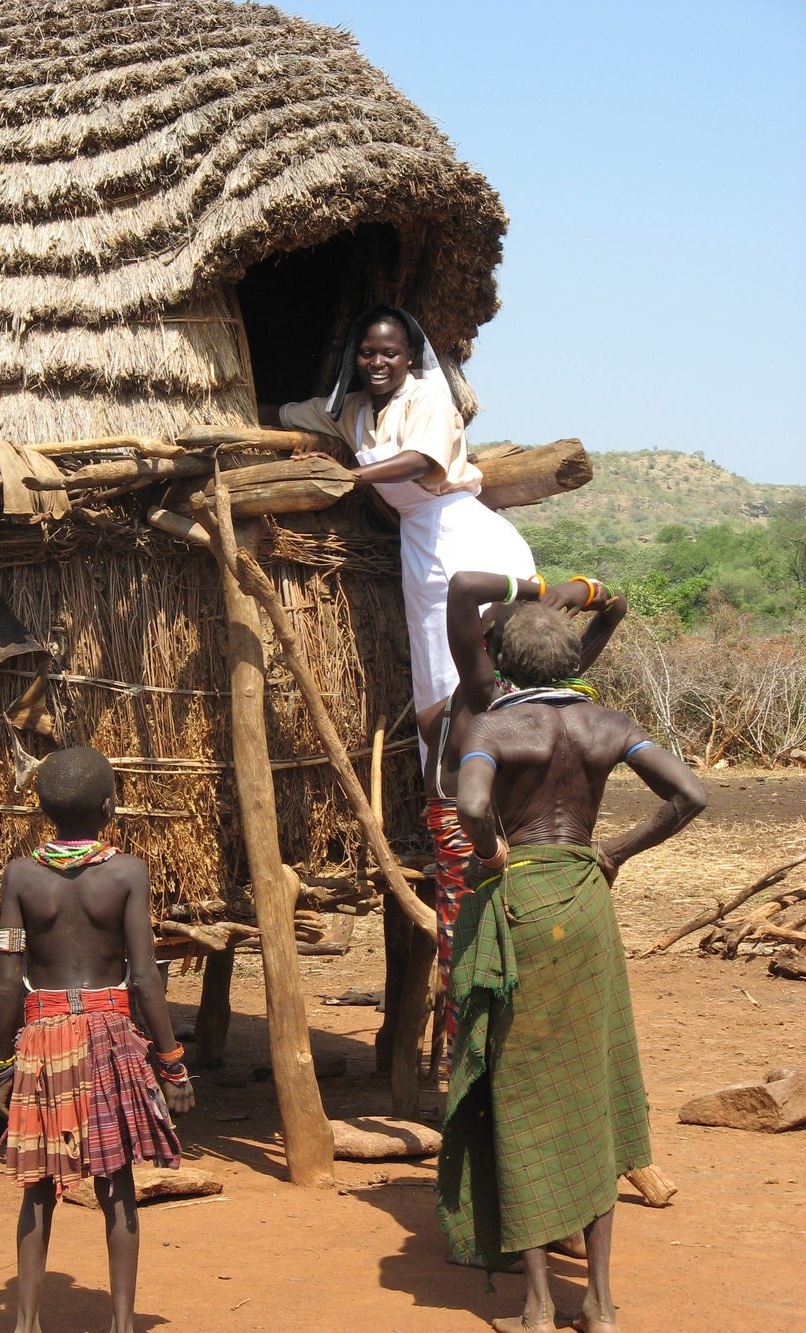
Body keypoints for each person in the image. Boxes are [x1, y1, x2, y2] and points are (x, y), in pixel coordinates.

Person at [436, 604, 707, 1333]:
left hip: (520, 901)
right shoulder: (609, 725)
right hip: (586, 903)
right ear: (571, 664)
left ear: (505, 662)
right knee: (593, 1085)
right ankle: (601, 1302)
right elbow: (691, 795)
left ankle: (536, 1303)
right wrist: (612, 851)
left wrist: (493, 854)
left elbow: (469, 803)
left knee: (520, 1090)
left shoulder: (494, 727)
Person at [259, 305, 536, 751]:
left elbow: (421, 461)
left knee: (482, 658)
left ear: (409, 356)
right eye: (367, 353)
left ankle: (502, 777)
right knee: (436, 664)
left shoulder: (427, 399)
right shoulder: (352, 411)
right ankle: (448, 795)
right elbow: (286, 414)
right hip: (420, 541)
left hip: (462, 533)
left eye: (389, 352)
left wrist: (349, 476)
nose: (377, 363)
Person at [0, 746, 195, 1333]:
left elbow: (7, 978)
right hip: (108, 1034)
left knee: (37, 1183)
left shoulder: (22, 876)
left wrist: (3, 1062)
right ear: (110, 805)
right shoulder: (127, 872)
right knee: (117, 1182)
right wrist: (172, 1062)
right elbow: (147, 977)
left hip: (44, 1037)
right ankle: (123, 1322)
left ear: (43, 808)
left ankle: (26, 1322)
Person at [421, 570, 626, 1069]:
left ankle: (482, 1063)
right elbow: (615, 609)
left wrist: (552, 593)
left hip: (484, 827)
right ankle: (480, 1063)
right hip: (480, 826)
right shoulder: (495, 691)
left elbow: (612, 608)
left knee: (477, 947)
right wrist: (576, 593)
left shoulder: (502, 691)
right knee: (480, 944)